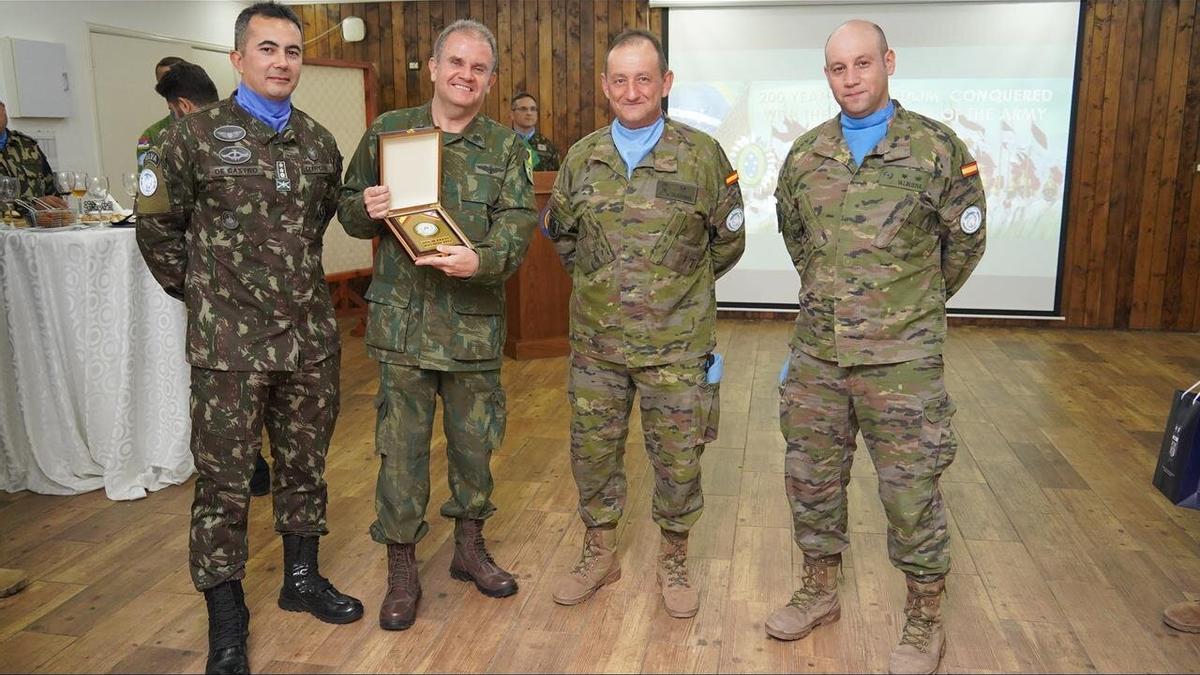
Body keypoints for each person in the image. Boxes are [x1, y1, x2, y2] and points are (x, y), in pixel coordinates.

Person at [135, 3, 363, 673]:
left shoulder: (319, 143)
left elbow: (316, 226)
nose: (281, 61)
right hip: (228, 349)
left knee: (303, 468)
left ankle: (300, 579)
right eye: (267, 49)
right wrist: (206, 297)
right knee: (225, 484)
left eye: (292, 50)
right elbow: (156, 231)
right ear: (238, 59)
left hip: (308, 341)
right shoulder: (188, 139)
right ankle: (227, 615)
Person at [767, 20, 986, 675]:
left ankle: (923, 618)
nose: (851, 78)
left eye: (863, 63)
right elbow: (797, 237)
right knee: (811, 480)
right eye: (838, 68)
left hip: (903, 362)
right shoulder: (806, 155)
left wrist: (906, 305)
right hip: (818, 358)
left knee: (911, 491)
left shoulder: (937, 149)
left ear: (888, 61)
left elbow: (964, 243)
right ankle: (819, 589)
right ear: (827, 74)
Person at [337, 19, 536, 632]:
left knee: (475, 445)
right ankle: (401, 565)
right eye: (455, 62)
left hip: (472, 323)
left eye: (478, 68)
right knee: (400, 452)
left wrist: (483, 260)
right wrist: (364, 209)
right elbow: (347, 209)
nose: (465, 75)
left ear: (491, 79)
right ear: (432, 65)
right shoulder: (389, 131)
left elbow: (519, 223)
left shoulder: (506, 147)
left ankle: (468, 548)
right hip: (403, 327)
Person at [544, 29, 745, 619]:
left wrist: (676, 292)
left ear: (666, 83)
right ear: (606, 86)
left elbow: (727, 241)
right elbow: (564, 239)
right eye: (620, 79)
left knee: (679, 459)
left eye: (644, 78)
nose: (632, 90)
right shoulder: (582, 158)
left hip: (677, 350)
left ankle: (675, 558)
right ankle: (599, 552)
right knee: (593, 455)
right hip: (597, 349)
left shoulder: (703, 157)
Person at [153, 59, 273, 499]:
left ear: (180, 104)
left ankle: (254, 465)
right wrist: (196, 286)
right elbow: (156, 229)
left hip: (256, 313)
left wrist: (198, 289)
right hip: (219, 319)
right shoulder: (172, 141)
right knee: (224, 424)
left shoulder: (248, 134)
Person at [0, 99, 68, 207]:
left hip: (40, 222)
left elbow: (51, 189)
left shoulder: (27, 144)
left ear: (3, 108)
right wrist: (33, 206)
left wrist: (58, 211)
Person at [137, 56, 186, 168]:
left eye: (175, 80)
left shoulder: (212, 123)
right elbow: (146, 178)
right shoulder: (150, 136)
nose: (170, 88)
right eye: (164, 83)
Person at [509, 92, 559, 171]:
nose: (529, 113)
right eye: (523, 109)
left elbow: (556, 178)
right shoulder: (502, 143)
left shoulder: (548, 146)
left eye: (533, 109)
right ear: (512, 114)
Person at [155, 62, 220, 119]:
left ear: (184, 106)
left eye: (173, 111)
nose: (173, 118)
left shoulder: (172, 132)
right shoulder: (227, 123)